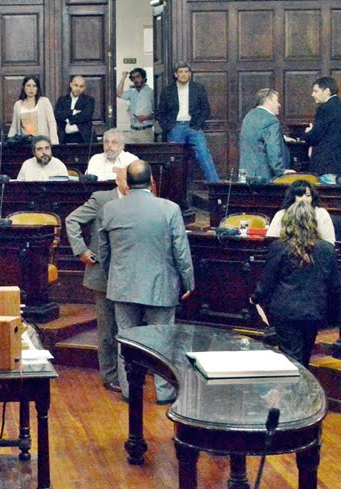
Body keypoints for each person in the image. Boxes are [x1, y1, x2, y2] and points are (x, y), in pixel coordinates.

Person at [98, 160, 194, 404]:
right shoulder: (170, 209)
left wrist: (114, 278)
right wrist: (188, 282)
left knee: (126, 340)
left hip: (123, 285)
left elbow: (104, 253)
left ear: (127, 184)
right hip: (160, 285)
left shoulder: (111, 209)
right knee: (163, 341)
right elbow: (181, 251)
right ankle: (164, 392)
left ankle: (131, 391)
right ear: (152, 182)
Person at [65, 168, 129, 392]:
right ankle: (110, 376)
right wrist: (81, 250)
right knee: (107, 328)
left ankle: (129, 373)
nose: (130, 184)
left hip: (130, 275)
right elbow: (72, 220)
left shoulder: (141, 200)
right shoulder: (102, 198)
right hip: (103, 274)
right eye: (125, 180)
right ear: (117, 180)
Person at [252, 201, 339, 366]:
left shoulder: (279, 246)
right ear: (312, 222)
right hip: (313, 310)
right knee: (305, 356)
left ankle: (294, 390)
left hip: (285, 310)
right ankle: (304, 389)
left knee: (290, 357)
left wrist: (255, 298)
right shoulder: (327, 249)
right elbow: (334, 285)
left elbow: (267, 280)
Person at [156, 61, 219, 182]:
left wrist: (197, 125)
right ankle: (176, 190)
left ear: (190, 74)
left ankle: (216, 188)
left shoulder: (198, 88)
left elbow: (206, 109)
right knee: (174, 160)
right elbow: (160, 112)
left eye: (186, 72)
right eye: (180, 72)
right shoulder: (167, 91)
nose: (183, 74)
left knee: (203, 155)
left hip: (193, 127)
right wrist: (168, 127)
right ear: (175, 74)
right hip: (175, 127)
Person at [303, 76, 341, 176]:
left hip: (324, 163)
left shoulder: (324, 108)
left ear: (327, 91)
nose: (312, 94)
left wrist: (308, 133)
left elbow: (316, 136)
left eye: (316, 91)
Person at [239, 88, 292, 182]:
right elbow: (273, 148)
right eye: (277, 101)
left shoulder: (249, 116)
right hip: (263, 176)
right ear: (268, 100)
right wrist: (280, 171)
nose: (279, 104)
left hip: (246, 173)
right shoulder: (271, 120)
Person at [265, 180, 335, 244]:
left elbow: (329, 243)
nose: (304, 199)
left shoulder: (321, 213)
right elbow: (272, 240)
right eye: (300, 195)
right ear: (292, 197)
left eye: (308, 195)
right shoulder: (281, 214)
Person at [8, 75, 59, 144]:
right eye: (28, 85)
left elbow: (51, 123)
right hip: (24, 143)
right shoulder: (18, 104)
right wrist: (9, 141)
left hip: (41, 143)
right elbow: (14, 126)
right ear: (24, 87)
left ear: (37, 88)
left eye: (34, 86)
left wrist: (54, 142)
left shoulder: (44, 102)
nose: (31, 89)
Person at [117, 68, 155, 144]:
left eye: (138, 77)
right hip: (133, 131)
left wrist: (146, 117)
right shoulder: (132, 92)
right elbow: (119, 93)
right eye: (133, 78)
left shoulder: (151, 92)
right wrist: (123, 77)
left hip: (146, 131)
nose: (136, 80)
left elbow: (159, 112)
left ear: (144, 78)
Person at [54, 75, 95, 144]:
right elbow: (58, 115)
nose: (78, 88)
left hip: (83, 137)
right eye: (76, 85)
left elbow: (86, 115)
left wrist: (68, 119)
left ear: (84, 88)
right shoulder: (62, 100)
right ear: (71, 85)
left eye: (81, 86)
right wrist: (73, 112)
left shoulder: (89, 100)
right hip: (64, 138)